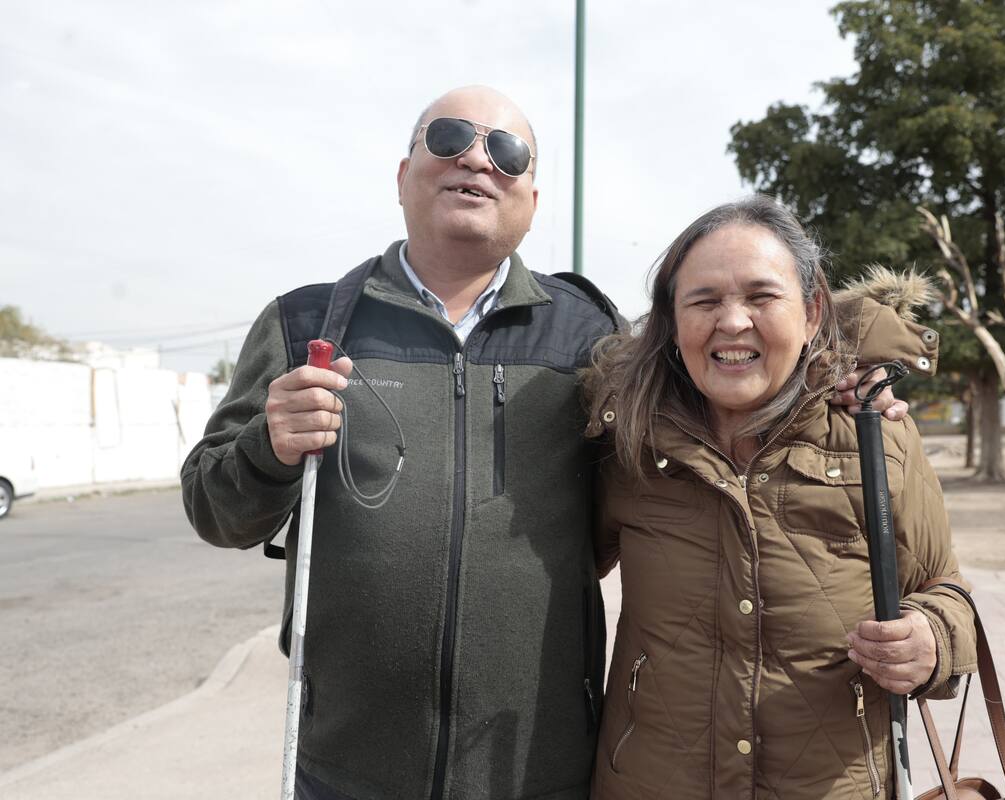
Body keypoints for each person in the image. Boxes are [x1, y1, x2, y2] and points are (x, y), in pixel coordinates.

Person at [182, 87, 914, 800]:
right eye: (447, 139)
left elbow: (717, 389)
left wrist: (838, 382)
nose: (475, 159)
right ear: (404, 175)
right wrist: (268, 447)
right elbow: (215, 511)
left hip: (542, 767)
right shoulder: (310, 322)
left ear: (532, 200)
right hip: (347, 768)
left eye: (506, 150)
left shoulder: (587, 333)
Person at [583, 196, 975, 800]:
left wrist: (932, 640)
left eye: (762, 297)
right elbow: (554, 570)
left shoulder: (876, 429)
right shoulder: (628, 438)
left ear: (813, 310)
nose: (733, 322)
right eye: (704, 300)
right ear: (672, 318)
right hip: (651, 781)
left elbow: (945, 590)